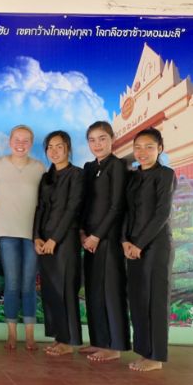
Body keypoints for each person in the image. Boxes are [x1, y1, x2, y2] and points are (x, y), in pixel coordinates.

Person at [0, 125, 46, 351]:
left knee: (28, 284)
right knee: (12, 284)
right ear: (9, 141)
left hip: (33, 234)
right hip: (6, 232)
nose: (20, 144)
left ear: (31, 143)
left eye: (26, 140)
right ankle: (11, 334)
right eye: (17, 139)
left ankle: (30, 336)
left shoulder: (39, 168)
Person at [123, 128, 176, 372]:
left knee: (156, 301)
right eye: (138, 147)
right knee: (138, 300)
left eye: (149, 147)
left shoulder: (165, 175)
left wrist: (140, 244)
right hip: (132, 247)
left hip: (156, 246)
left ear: (160, 149)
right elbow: (126, 211)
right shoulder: (132, 177)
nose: (142, 152)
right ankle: (145, 352)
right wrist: (125, 241)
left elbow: (162, 213)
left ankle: (156, 357)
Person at [80, 121, 130, 362]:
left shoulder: (118, 166)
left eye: (102, 139)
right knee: (94, 291)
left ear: (112, 139)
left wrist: (97, 236)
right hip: (88, 239)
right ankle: (99, 340)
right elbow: (84, 203)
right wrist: (83, 233)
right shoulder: (89, 167)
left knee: (111, 291)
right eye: (92, 140)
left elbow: (117, 206)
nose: (97, 144)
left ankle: (115, 345)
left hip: (107, 238)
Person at [34, 131, 83, 356]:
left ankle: (69, 340)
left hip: (65, 241)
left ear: (68, 149)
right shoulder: (47, 177)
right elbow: (40, 208)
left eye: (59, 146)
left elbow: (73, 209)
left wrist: (55, 239)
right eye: (50, 147)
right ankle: (58, 337)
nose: (54, 151)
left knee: (66, 290)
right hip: (44, 241)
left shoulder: (76, 175)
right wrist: (37, 237)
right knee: (51, 290)